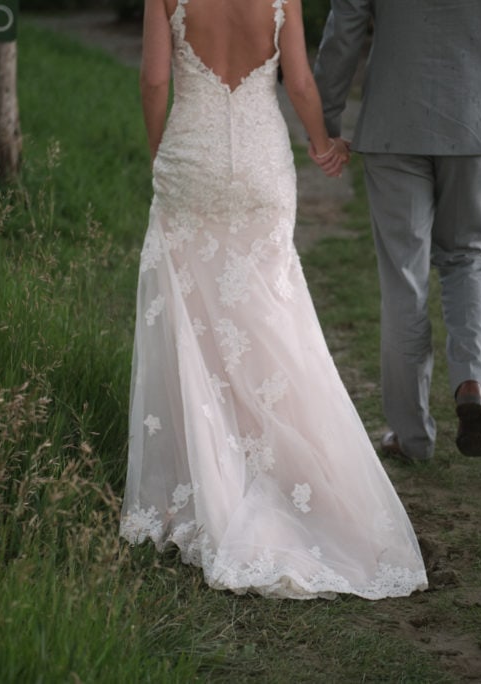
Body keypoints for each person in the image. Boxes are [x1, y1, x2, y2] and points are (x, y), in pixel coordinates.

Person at [118, 0, 428, 600]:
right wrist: (320, 142)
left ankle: (209, 477)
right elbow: (301, 81)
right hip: (261, 164)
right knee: (270, 318)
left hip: (193, 162)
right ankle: (290, 472)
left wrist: (161, 150)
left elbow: (155, 79)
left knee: (193, 322)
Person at [312, 0, 481, 463]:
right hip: (474, 119)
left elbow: (346, 23)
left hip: (392, 123)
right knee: (467, 256)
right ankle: (470, 383)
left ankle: (412, 436)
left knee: (404, 276)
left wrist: (323, 120)